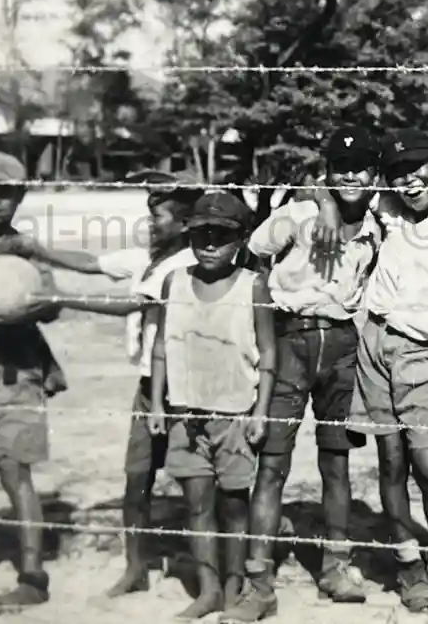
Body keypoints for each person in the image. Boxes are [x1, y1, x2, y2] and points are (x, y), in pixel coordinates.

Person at [0, 170, 205, 596]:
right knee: (136, 482)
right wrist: (38, 249)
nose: (150, 223)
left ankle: (206, 573)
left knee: (197, 488)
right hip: (149, 386)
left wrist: (61, 300)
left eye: (159, 215)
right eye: (149, 213)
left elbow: (131, 303)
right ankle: (135, 568)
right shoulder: (151, 257)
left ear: (184, 224)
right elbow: (91, 262)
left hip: (187, 389)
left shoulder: (189, 263)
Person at [314, 129, 428, 612]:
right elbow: (325, 185)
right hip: (374, 343)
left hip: (423, 352)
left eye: (418, 170)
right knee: (391, 463)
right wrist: (329, 207)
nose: (409, 182)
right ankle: (409, 568)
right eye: (397, 174)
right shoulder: (385, 212)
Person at [219, 127, 382, 622]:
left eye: (361, 168)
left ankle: (336, 565)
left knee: (336, 463)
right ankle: (259, 582)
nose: (351, 175)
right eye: (340, 167)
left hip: (340, 345)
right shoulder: (296, 214)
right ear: (328, 171)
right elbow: (253, 257)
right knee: (272, 464)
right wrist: (319, 200)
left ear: (375, 177)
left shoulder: (378, 225)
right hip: (290, 341)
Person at [146, 191, 278, 620]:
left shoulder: (252, 286)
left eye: (221, 236)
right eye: (201, 233)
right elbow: (162, 347)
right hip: (186, 413)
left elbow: (269, 356)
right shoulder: (175, 281)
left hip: (235, 416)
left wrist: (260, 412)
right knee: (198, 504)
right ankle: (207, 590)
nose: (209, 243)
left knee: (234, 503)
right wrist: (157, 405)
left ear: (240, 240)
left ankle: (235, 587)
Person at [0, 152, 65, 611]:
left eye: (3, 193)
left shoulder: (24, 246)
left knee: (16, 473)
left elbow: (52, 302)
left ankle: (33, 574)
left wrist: (23, 309)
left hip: (17, 374)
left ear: (19, 196)